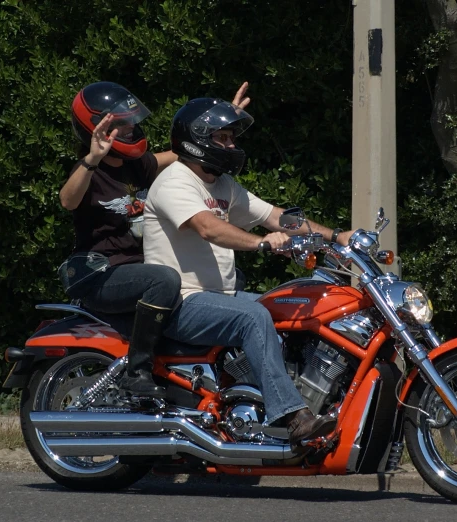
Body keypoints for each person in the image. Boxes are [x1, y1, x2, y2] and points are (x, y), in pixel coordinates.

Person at [142, 98, 355, 447]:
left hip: (218, 297)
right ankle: (291, 415)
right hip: (181, 302)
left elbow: (275, 217)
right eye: (223, 138)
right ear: (198, 139)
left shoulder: (222, 185)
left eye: (232, 139)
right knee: (254, 317)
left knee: (294, 310)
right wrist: (263, 245)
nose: (232, 146)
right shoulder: (174, 182)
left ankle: (302, 397)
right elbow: (207, 227)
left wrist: (335, 237)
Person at [59, 81, 250, 399]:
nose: (129, 129)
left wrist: (221, 128)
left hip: (137, 270)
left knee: (229, 275)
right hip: (99, 274)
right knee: (164, 279)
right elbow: (67, 200)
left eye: (130, 122)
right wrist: (92, 158)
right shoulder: (89, 173)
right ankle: (138, 371)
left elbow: (185, 151)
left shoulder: (138, 166)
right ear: (95, 128)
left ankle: (208, 373)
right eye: (119, 124)